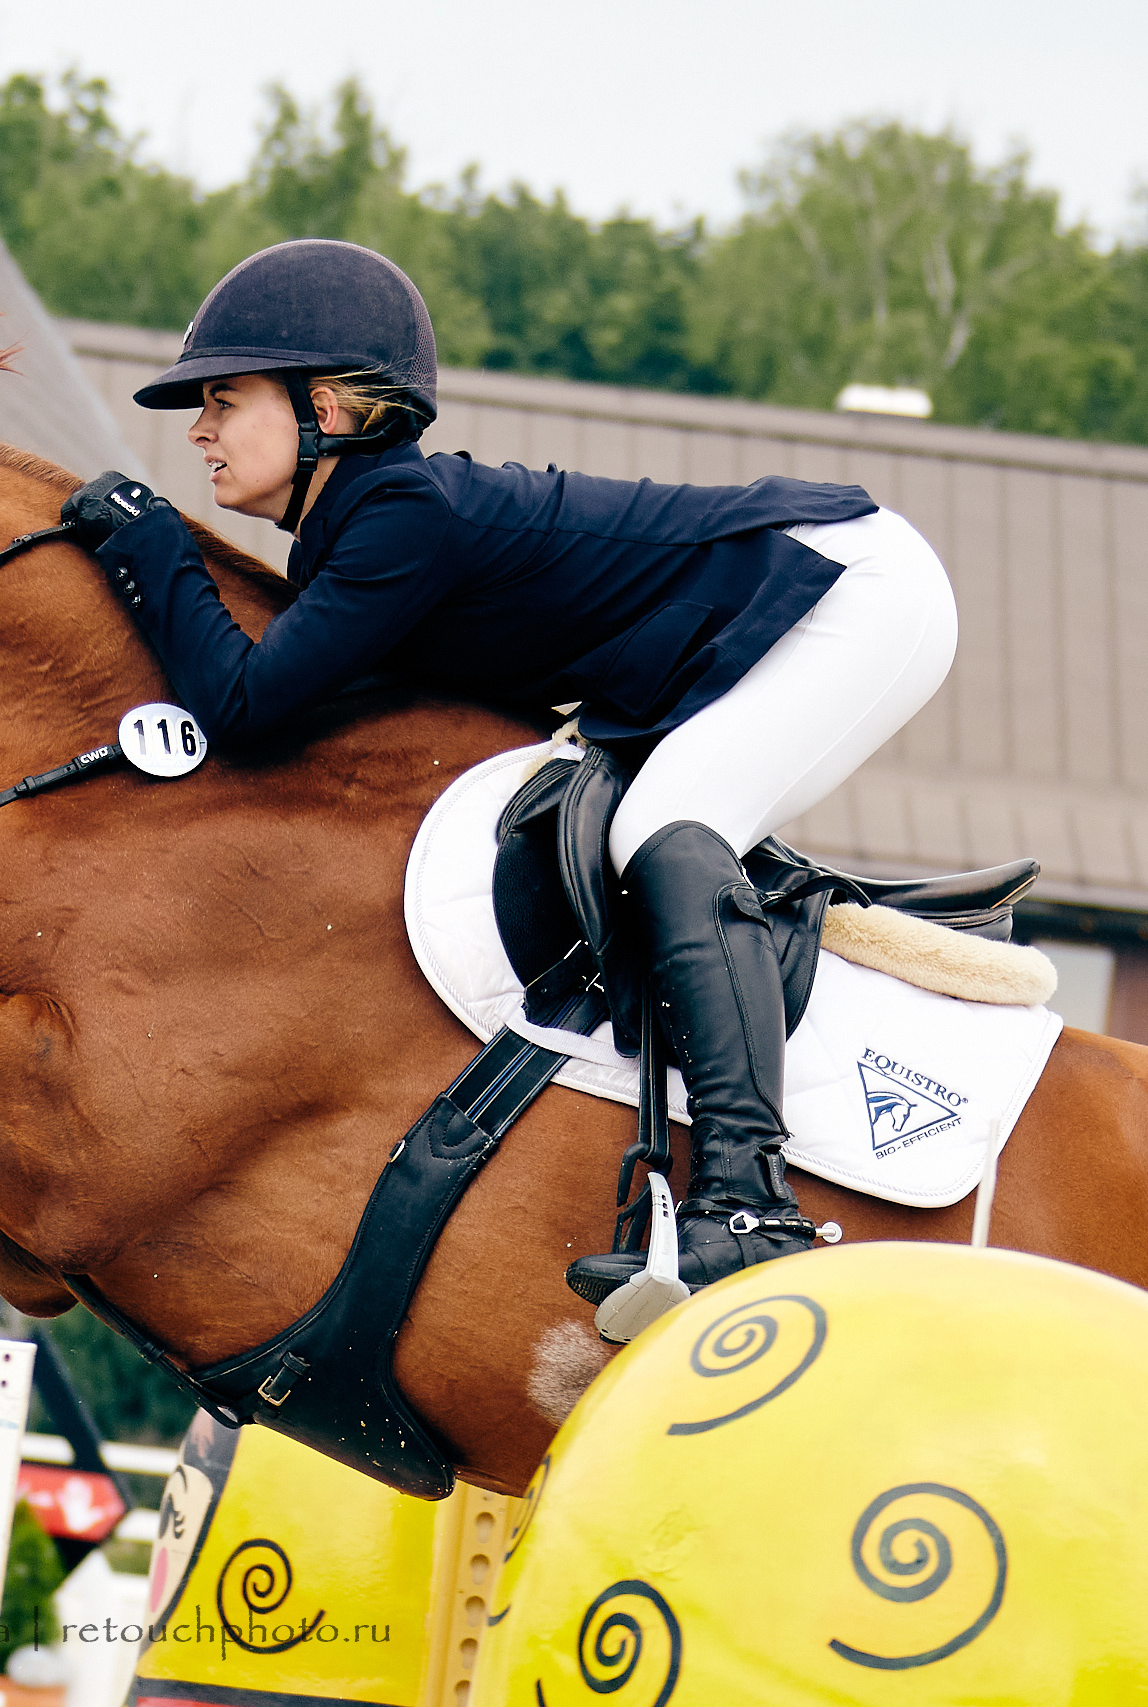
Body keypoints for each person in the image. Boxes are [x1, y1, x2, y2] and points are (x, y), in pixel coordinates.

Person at [58, 238, 957, 1308]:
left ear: (329, 412)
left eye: (224, 399)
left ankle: (748, 1201)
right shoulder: (360, 532)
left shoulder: (400, 519)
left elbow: (245, 705)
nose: (197, 429)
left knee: (664, 825)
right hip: (769, 610)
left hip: (854, 590)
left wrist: (146, 542)